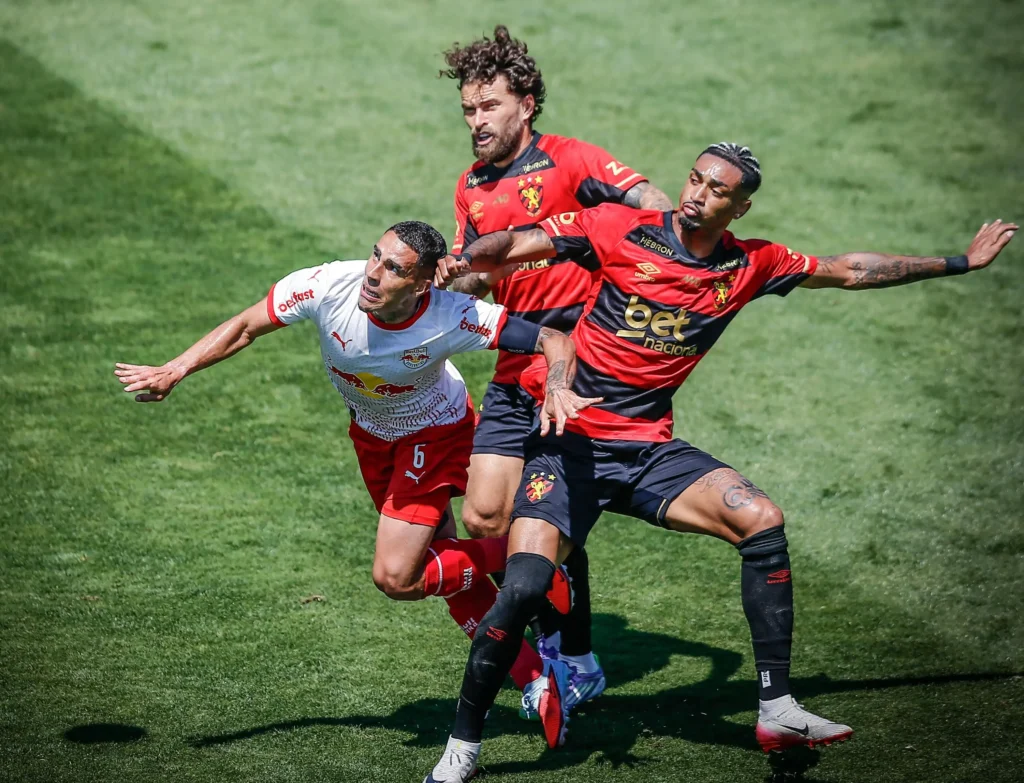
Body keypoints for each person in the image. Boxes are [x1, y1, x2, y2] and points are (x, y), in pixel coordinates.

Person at [423, 143, 1017, 781]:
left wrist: (960, 262)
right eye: (695, 179)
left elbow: (848, 270)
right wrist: (462, 259)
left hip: (646, 450)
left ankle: (777, 708)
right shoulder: (618, 228)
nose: (698, 195)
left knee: (761, 519)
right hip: (570, 445)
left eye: (717, 190)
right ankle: (463, 749)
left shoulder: (753, 263)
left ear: (739, 208)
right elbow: (517, 243)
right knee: (523, 589)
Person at [113, 220, 601, 749]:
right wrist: (175, 370)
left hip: (434, 435)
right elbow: (246, 326)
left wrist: (557, 386)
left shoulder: (450, 315)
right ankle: (536, 676)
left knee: (397, 575)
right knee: (440, 569)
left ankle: (530, 562)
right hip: (372, 438)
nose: (373, 273)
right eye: (375, 255)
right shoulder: (328, 285)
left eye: (393, 268)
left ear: (421, 285)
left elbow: (552, 339)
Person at [440, 24, 674, 712]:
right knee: (486, 516)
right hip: (517, 361)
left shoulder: (574, 160)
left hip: (578, 370)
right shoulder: (471, 187)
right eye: (468, 110)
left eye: (489, 106)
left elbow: (657, 207)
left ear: (527, 103)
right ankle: (558, 616)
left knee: (544, 517)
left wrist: (631, 272)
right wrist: (455, 276)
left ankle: (573, 656)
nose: (476, 121)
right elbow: (481, 278)